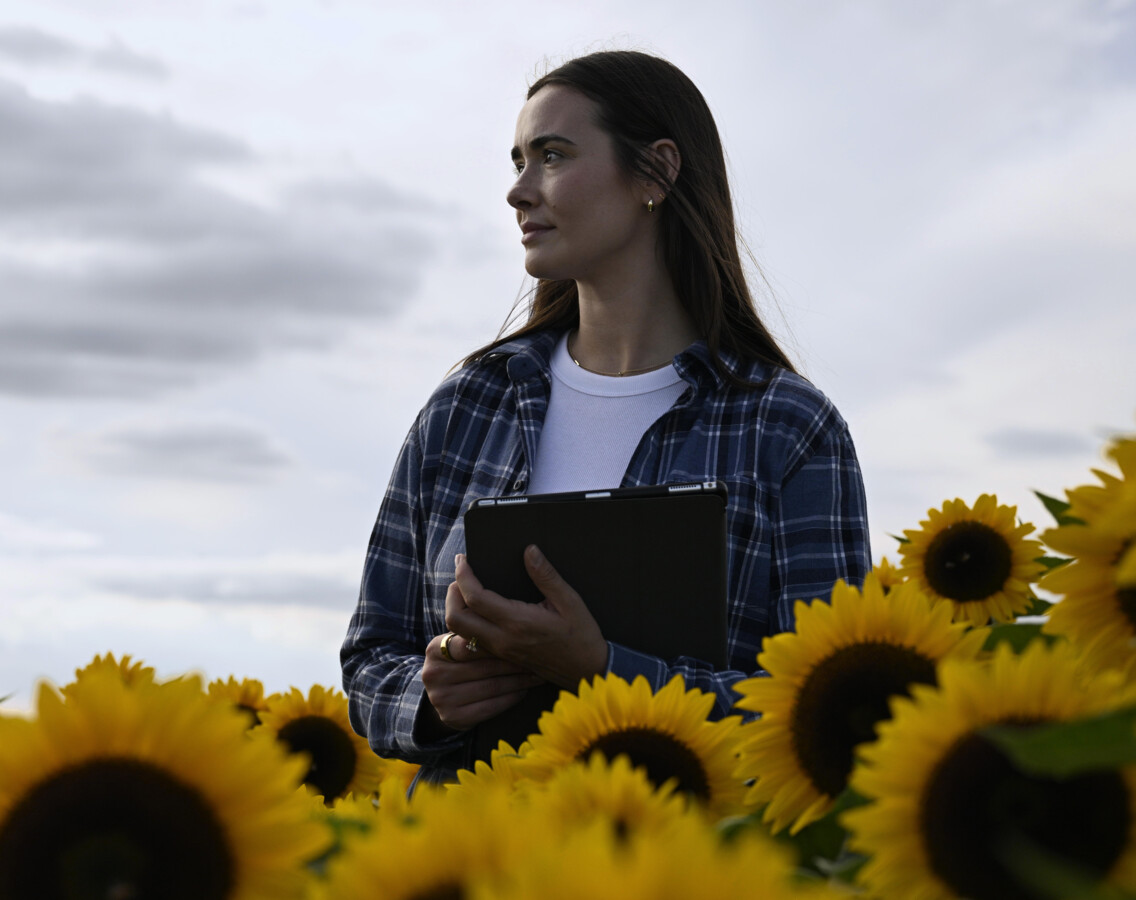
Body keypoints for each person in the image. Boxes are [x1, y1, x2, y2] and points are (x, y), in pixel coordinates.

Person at [340, 50, 871, 785]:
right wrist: (432, 698)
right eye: (519, 160)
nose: (517, 191)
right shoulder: (465, 408)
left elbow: (827, 709)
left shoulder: (787, 429)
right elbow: (372, 657)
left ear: (655, 172)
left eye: (552, 157)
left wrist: (602, 670)